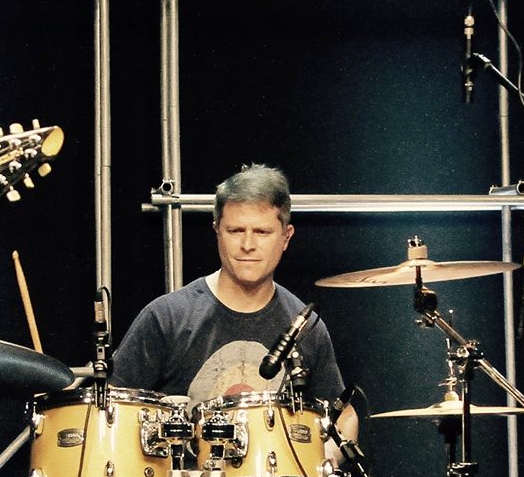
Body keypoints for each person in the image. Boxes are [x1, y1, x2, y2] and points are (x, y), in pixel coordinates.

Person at [113, 164, 358, 441]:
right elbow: (111, 413)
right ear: (217, 230)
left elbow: (343, 417)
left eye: (262, 232)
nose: (247, 245)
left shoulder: (305, 327)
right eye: (236, 230)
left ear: (286, 237)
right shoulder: (166, 317)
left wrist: (329, 455)